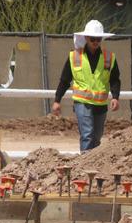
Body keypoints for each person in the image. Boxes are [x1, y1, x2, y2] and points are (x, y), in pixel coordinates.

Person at [51, 19, 121, 151]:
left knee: (97, 137)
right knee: (87, 134)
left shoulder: (109, 57)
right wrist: (57, 100)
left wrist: (115, 97)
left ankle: (93, 164)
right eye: (92, 39)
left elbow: (115, 79)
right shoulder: (74, 56)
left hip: (100, 104)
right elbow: (65, 80)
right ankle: (84, 166)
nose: (95, 42)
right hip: (82, 102)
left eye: (98, 39)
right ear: (86, 38)